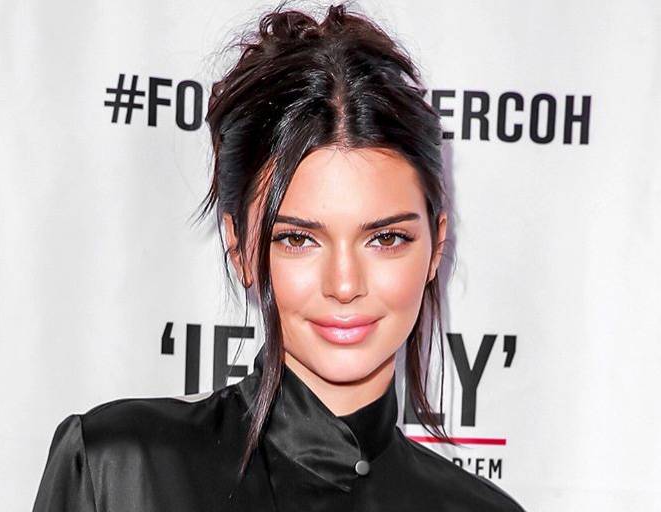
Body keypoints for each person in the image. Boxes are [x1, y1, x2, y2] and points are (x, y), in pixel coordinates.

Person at [32, 3, 526, 511]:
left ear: (436, 246)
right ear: (239, 246)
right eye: (298, 239)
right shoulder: (119, 468)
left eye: (385, 238)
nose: (344, 284)